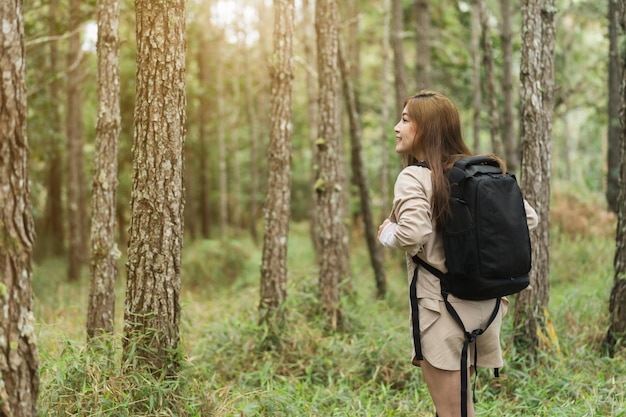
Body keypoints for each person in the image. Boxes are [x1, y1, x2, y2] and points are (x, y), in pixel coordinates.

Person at [377, 90, 538, 417]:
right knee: (460, 409)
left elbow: (413, 233)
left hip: (441, 311)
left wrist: (386, 233)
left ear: (428, 128)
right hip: (484, 306)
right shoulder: (480, 173)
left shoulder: (415, 176)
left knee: (453, 413)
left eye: (406, 120)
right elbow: (529, 218)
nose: (397, 127)